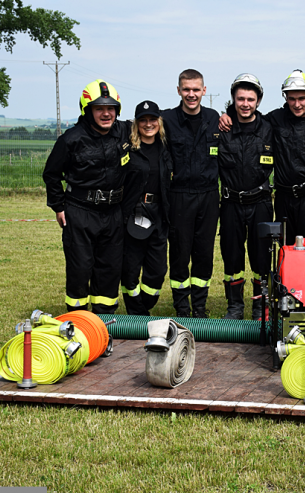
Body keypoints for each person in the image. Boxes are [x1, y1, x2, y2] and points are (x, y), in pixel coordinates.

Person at [43, 79, 130, 314]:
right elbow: (51, 174)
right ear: (87, 109)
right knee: (80, 268)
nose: (105, 113)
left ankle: (105, 321)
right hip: (80, 212)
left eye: (110, 108)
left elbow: (155, 120)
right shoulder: (70, 140)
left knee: (110, 269)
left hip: (113, 212)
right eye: (99, 108)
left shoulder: (124, 131)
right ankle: (78, 321)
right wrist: (58, 207)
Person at [220, 69, 305, 244]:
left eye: (302, 98)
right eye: (292, 98)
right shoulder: (274, 119)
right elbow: (249, 117)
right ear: (285, 97)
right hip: (283, 199)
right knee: (284, 249)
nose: (297, 104)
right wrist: (228, 114)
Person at [161, 69, 220, 318]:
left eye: (196, 89)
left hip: (208, 195)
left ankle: (200, 307)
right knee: (180, 253)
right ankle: (182, 309)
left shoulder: (215, 118)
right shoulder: (166, 119)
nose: (191, 94)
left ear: (204, 91)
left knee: (204, 254)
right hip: (180, 196)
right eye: (186, 89)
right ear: (178, 91)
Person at [218, 73, 274, 320]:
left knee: (262, 258)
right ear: (233, 99)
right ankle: (235, 306)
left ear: (258, 101)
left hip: (260, 203)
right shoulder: (221, 127)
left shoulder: (270, 129)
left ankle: (260, 305)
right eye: (240, 98)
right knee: (232, 257)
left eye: (251, 99)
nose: (245, 104)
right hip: (231, 203)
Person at [120, 100, 172, 315]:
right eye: (143, 120)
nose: (148, 124)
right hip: (134, 212)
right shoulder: (127, 148)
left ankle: (146, 303)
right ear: (136, 123)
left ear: (159, 121)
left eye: (152, 119)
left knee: (158, 269)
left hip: (159, 213)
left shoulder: (167, 147)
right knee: (131, 266)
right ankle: (135, 310)